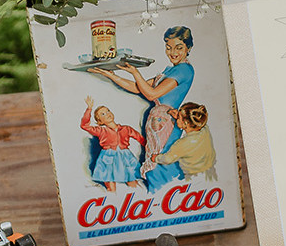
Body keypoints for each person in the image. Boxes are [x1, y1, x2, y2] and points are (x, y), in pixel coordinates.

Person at [90, 26, 195, 191]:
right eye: (168, 48)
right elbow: (139, 87)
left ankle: (161, 197)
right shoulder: (172, 69)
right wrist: (112, 75)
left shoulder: (184, 70)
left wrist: (135, 72)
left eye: (178, 47)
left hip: (167, 124)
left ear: (188, 48)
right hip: (159, 120)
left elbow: (151, 94)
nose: (173, 52)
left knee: (160, 165)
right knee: (154, 163)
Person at [78, 97, 143, 190]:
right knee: (110, 184)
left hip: (125, 157)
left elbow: (140, 138)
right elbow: (84, 125)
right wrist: (89, 109)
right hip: (108, 158)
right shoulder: (101, 131)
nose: (107, 114)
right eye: (103, 114)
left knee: (132, 181)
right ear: (100, 121)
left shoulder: (126, 129)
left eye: (108, 111)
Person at [156, 102, 216, 179]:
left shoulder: (182, 143)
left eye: (179, 118)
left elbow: (167, 159)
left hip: (193, 175)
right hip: (208, 170)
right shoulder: (203, 128)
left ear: (186, 123)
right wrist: (180, 115)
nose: (177, 118)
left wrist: (156, 158)